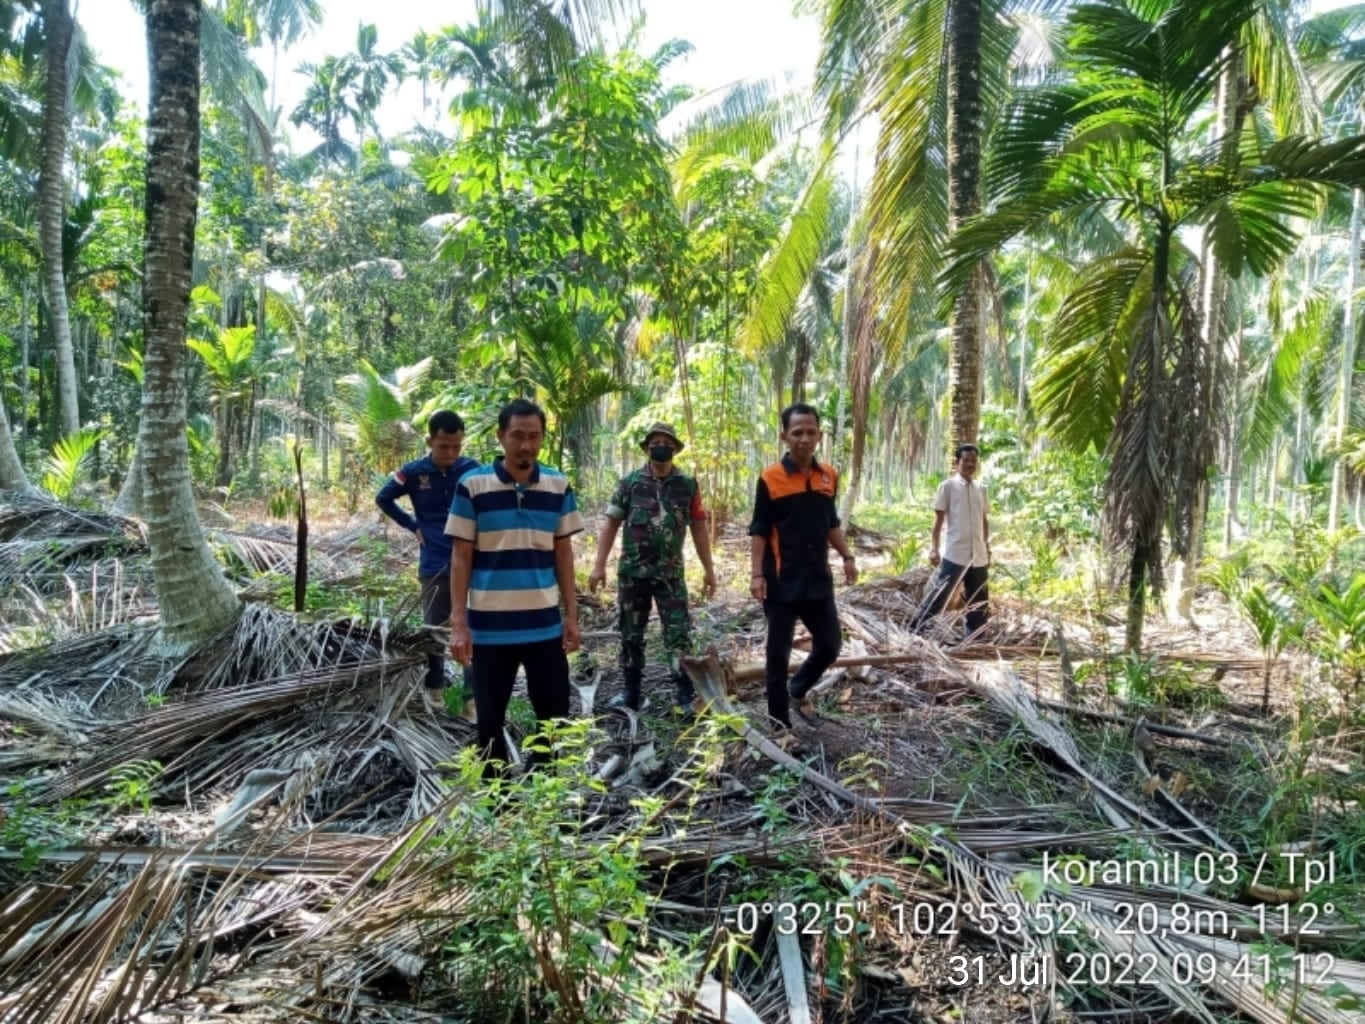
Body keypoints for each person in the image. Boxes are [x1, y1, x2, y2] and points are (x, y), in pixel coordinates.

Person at [446, 398, 583, 771]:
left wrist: (571, 616)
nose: (526, 445)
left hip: (544, 627)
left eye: (534, 436)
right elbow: (460, 556)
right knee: (489, 722)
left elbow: (564, 555)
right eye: (518, 436)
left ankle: (546, 795)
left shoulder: (558, 485)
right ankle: (498, 805)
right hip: (490, 630)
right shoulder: (472, 487)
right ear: (500, 436)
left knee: (553, 720)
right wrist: (458, 623)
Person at [588, 422, 718, 713]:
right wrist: (599, 566)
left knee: (678, 635)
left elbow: (698, 528)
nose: (661, 446)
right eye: (656, 442)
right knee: (631, 635)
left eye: (667, 442)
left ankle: (685, 696)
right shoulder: (630, 483)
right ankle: (631, 692)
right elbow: (611, 524)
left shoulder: (687, 486)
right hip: (633, 575)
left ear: (675, 449)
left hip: (670, 576)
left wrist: (709, 569)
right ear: (647, 448)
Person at [749, 403, 858, 731]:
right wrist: (756, 574)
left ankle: (798, 689)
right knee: (778, 656)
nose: (804, 438)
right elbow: (759, 529)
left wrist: (847, 556)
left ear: (819, 436)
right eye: (797, 432)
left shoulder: (828, 476)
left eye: (810, 432)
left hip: (817, 578)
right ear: (784, 436)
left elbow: (831, 522)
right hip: (780, 580)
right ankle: (779, 725)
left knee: (829, 646)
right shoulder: (770, 479)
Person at [375, 410, 480, 713]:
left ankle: (471, 697)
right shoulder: (413, 472)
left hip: (473, 562)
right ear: (429, 440)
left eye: (456, 447)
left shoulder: (473, 470)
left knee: (472, 627)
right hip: (435, 561)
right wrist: (412, 525)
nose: (450, 453)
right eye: (443, 446)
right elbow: (383, 498)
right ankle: (434, 689)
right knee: (434, 627)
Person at [910, 442, 990, 641]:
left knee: (978, 598)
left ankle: (975, 638)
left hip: (978, 554)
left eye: (973, 461)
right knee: (939, 594)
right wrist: (934, 549)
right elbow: (938, 522)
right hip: (955, 552)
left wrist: (987, 547)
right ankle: (916, 631)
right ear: (957, 462)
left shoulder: (981, 488)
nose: (970, 464)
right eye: (966, 460)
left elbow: (984, 519)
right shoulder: (948, 487)